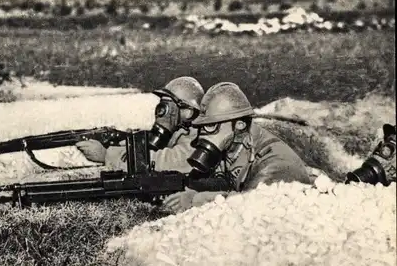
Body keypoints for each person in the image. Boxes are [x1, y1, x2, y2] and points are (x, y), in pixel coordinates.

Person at [162, 82, 314, 213]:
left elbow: (254, 205)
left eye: (211, 126)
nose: (202, 135)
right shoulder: (233, 145)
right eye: (202, 127)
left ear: (239, 124)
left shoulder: (276, 161)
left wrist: (196, 199)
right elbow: (224, 180)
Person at [76, 76, 205, 173]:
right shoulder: (179, 132)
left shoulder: (198, 138)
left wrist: (107, 155)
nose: (162, 111)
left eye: (169, 106)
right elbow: (152, 147)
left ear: (188, 112)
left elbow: (166, 161)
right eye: (163, 104)